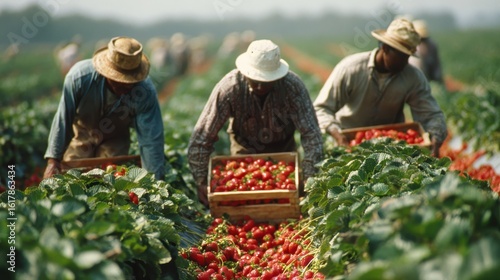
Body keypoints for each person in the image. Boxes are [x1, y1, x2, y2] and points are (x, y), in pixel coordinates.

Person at [188, 39, 324, 206]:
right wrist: (201, 180)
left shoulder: (292, 88)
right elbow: (203, 136)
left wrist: (310, 180)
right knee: (245, 204)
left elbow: (311, 134)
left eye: (266, 81)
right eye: (255, 80)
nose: (260, 86)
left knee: (284, 205)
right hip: (243, 155)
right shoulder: (229, 88)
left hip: (284, 155)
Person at [314, 18, 447, 157]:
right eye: (400, 55)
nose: (404, 62)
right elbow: (321, 109)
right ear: (385, 48)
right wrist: (338, 135)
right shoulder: (351, 69)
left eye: (407, 56)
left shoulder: (412, 77)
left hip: (392, 147)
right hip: (349, 143)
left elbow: (431, 114)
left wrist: (436, 137)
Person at [43, 36, 166, 180]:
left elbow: (150, 141)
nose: (125, 86)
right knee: (73, 178)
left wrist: (155, 182)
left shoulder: (144, 92)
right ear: (106, 71)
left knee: (113, 180)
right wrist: (53, 160)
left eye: (130, 82)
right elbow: (63, 119)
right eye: (119, 81)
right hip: (82, 134)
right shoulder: (79, 78)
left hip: (116, 139)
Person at [409, 19, 444, 84]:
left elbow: (436, 68)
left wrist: (438, 82)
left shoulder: (432, 46)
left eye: (423, 40)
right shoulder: (410, 49)